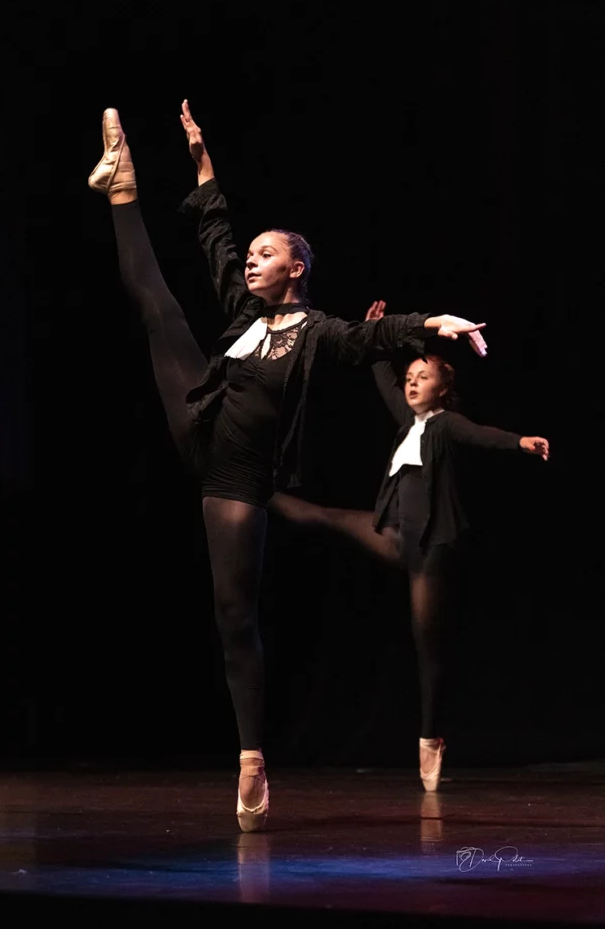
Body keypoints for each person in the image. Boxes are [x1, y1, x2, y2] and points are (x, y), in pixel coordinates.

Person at [88, 103, 487, 830]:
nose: (251, 260)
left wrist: (434, 322)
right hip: (199, 423)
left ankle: (250, 757)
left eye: (265, 254)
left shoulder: (319, 332)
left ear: (295, 269)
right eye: (253, 253)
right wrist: (203, 164)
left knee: (234, 615)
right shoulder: (244, 313)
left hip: (235, 477)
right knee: (159, 308)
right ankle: (122, 187)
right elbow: (216, 235)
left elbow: (373, 338)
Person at [271, 299, 549, 791]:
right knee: (324, 516)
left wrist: (520, 441)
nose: (413, 382)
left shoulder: (444, 423)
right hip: (394, 535)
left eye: (424, 376)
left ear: (443, 388)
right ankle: (250, 488)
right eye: (411, 377)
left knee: (428, 646)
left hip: (431, 547)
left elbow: (481, 435)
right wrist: (375, 335)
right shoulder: (408, 423)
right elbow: (383, 378)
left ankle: (430, 736)